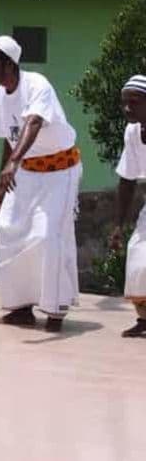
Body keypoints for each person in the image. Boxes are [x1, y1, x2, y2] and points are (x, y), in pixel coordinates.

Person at [0, 35, 81, 333]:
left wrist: (14, 162)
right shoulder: (0, 96)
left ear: (9, 64)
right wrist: (3, 178)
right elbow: (9, 140)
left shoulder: (37, 84)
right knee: (9, 231)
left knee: (48, 236)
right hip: (25, 171)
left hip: (59, 170)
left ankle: (55, 310)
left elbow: (34, 122)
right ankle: (21, 307)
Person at [109, 75, 146, 337]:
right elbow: (127, 179)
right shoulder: (133, 132)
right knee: (138, 258)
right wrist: (119, 225)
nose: (127, 108)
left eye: (134, 102)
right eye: (124, 103)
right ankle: (144, 319)